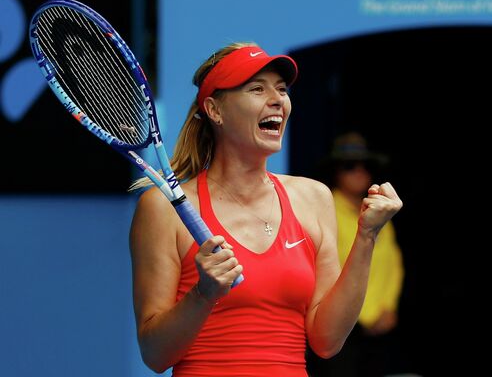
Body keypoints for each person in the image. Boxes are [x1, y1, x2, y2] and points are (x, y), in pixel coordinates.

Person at [129, 42, 403, 377]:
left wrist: (366, 236)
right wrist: (203, 294)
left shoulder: (314, 198)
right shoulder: (161, 209)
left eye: (282, 89)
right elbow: (155, 355)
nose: (277, 100)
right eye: (257, 89)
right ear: (215, 111)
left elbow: (327, 340)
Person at [308, 132, 404, 377]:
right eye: (350, 166)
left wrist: (388, 308)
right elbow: (327, 270)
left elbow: (393, 266)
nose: (360, 171)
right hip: (342, 329)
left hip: (381, 328)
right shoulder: (325, 211)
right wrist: (366, 316)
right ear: (336, 172)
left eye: (366, 165)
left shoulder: (381, 211)